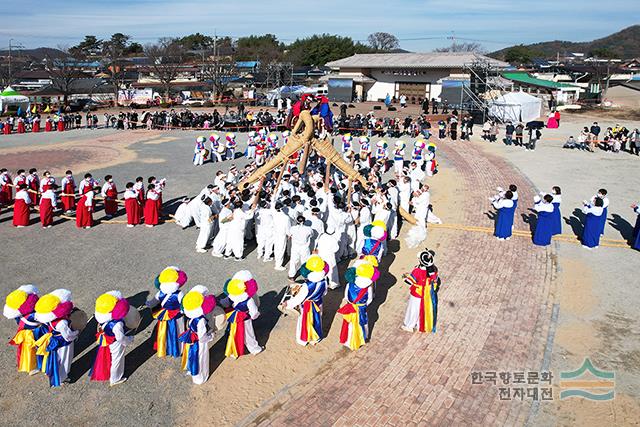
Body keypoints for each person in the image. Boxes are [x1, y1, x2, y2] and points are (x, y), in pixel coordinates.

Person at [34, 289, 78, 387]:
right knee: (64, 359)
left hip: (52, 340)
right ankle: (62, 377)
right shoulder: (62, 323)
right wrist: (76, 333)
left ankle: (50, 371)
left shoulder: (46, 319)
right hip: (63, 343)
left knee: (53, 357)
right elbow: (68, 336)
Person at [89, 291, 133, 386]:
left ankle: (109, 372)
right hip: (115, 342)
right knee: (117, 359)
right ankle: (115, 378)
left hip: (106, 337)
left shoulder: (101, 316)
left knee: (109, 355)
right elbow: (120, 337)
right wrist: (129, 339)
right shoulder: (117, 324)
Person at [284, 255, 329, 346]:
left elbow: (298, 299)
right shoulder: (324, 281)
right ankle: (315, 339)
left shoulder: (306, 286)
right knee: (317, 320)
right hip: (318, 303)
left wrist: (287, 303)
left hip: (307, 306)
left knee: (303, 321)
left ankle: (303, 340)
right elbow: (324, 292)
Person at [3, 285, 45, 375]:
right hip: (36, 332)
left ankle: (32, 367)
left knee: (28, 352)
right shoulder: (32, 315)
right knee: (41, 347)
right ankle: (43, 365)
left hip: (25, 334)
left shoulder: (18, 315)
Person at [146, 266, 187, 358]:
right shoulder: (179, 294)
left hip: (163, 315)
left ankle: (163, 348)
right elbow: (183, 305)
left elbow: (153, 303)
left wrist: (148, 304)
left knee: (163, 331)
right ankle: (177, 349)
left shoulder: (160, 293)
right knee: (177, 331)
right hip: (177, 316)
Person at [221, 271, 263, 359]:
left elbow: (224, 303)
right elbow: (254, 312)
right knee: (248, 334)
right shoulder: (248, 299)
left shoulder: (230, 296)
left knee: (234, 333)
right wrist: (255, 315)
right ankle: (254, 349)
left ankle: (233, 351)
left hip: (234, 317)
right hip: (245, 318)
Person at [179, 286, 216, 385]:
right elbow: (202, 337)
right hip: (200, 343)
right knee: (201, 358)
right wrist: (211, 336)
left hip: (192, 339)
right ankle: (201, 377)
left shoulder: (191, 317)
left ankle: (193, 372)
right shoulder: (201, 320)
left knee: (193, 356)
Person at [338, 257, 377, 350]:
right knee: (363, 323)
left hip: (351, 307)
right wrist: (363, 305)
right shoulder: (368, 287)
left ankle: (348, 341)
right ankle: (362, 338)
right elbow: (370, 299)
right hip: (362, 308)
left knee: (350, 324)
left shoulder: (350, 284)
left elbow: (346, 296)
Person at [401, 249, 440, 333]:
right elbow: (435, 279)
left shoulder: (417, 271)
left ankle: (409, 325)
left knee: (413, 309)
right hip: (427, 294)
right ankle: (420, 325)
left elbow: (410, 281)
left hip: (417, 293)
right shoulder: (433, 269)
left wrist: (404, 278)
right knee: (422, 309)